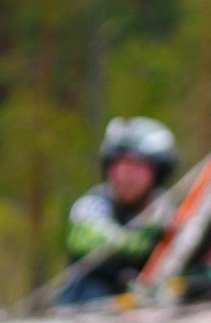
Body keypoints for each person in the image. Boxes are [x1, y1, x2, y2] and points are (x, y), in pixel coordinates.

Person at [63, 117, 178, 300]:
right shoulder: (90, 207)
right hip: (85, 310)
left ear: (158, 173)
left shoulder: (168, 211)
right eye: (121, 165)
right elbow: (102, 244)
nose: (127, 176)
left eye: (137, 167)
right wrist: (150, 235)